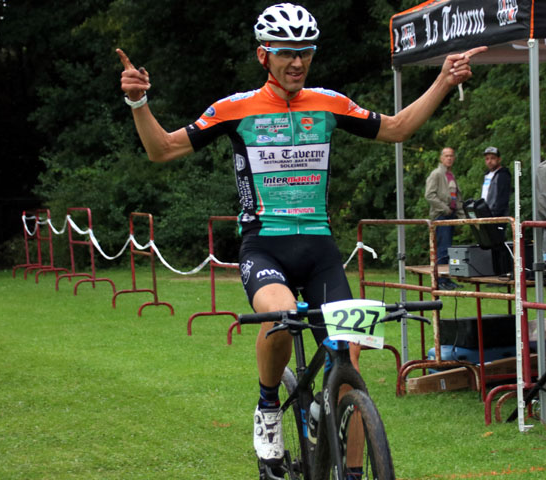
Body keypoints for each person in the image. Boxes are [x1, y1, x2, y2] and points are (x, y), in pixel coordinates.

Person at [117, 2, 487, 470]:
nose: (297, 62)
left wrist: (443, 80)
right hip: (264, 246)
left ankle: (351, 466)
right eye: (286, 52)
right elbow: (162, 148)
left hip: (320, 251)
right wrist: (137, 102)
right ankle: (269, 405)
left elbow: (396, 129)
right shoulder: (236, 109)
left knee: (349, 357)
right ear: (263, 55)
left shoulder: (328, 103)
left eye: (306, 52)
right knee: (282, 319)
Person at [425, 147, 465, 290]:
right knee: (443, 248)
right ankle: (440, 280)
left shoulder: (451, 175)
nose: (449, 158)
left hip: (451, 215)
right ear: (441, 158)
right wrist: (445, 208)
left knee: (449, 249)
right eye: (446, 156)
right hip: (441, 216)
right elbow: (429, 195)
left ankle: (447, 278)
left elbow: (457, 198)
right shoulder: (436, 174)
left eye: (451, 156)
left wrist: (462, 216)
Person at [480, 146, 511, 218]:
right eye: (487, 159)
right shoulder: (486, 175)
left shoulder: (503, 175)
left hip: (496, 216)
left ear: (499, 159)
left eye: (492, 158)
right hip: (484, 214)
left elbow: (503, 198)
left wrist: (496, 213)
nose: (489, 161)